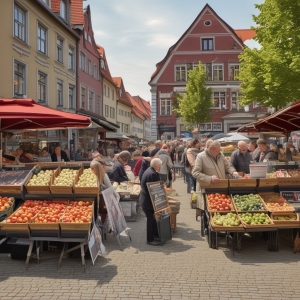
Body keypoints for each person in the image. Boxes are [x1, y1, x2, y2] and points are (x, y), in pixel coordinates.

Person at [139, 158, 162, 246]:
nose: (160, 167)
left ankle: (154, 235)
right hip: (148, 202)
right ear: (156, 165)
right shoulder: (152, 174)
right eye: (160, 166)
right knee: (151, 220)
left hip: (146, 200)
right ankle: (150, 239)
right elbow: (154, 189)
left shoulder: (150, 170)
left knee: (152, 219)